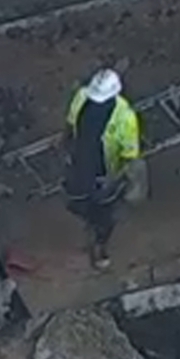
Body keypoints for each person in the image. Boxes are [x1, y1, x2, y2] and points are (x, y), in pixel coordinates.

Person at [64, 68, 146, 270]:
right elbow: (70, 121)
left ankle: (99, 243)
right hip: (80, 164)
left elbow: (129, 154)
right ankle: (88, 219)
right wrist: (67, 146)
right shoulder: (83, 96)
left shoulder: (125, 117)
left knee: (104, 213)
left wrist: (119, 178)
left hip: (104, 172)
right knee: (78, 201)